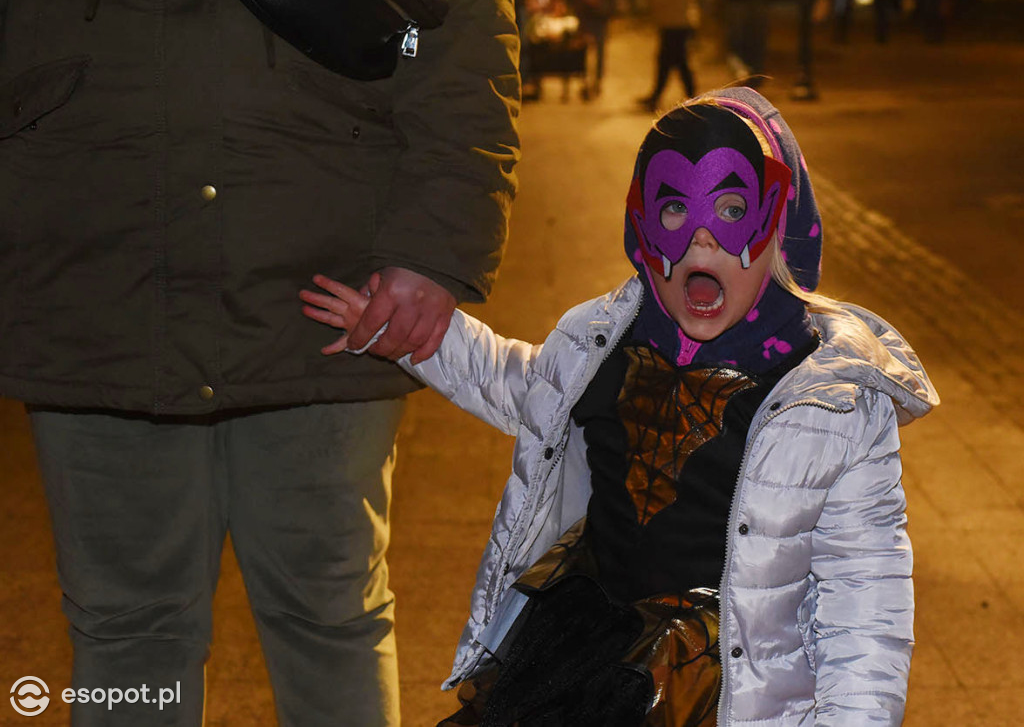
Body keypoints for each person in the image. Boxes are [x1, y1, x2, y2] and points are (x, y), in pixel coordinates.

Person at [301, 87, 938, 725]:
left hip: (722, 689)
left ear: (775, 222)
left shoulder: (831, 405)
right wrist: (403, 332)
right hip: (587, 652)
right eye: (673, 214)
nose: (702, 243)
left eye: (732, 208)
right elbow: (514, 382)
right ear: (640, 228)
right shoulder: (605, 345)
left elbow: (867, 600)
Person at [0, 0, 519, 723]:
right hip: (96, 269)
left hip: (323, 276)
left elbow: (466, 31)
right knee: (124, 623)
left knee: (328, 614)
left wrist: (438, 245)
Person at [637, 0, 702, 112]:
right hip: (674, 20)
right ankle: (660, 96)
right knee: (670, 60)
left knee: (675, 60)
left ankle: (691, 98)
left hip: (676, 21)